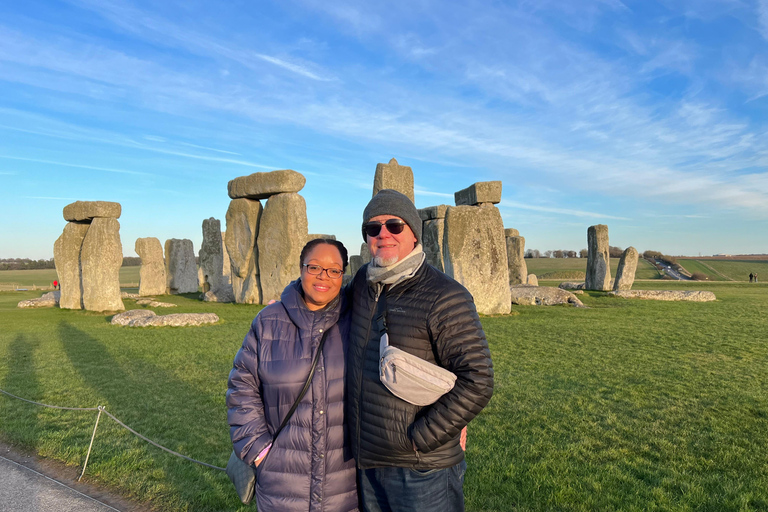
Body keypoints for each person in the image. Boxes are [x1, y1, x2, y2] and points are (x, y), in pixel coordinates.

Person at [346, 189, 494, 512]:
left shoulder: (445, 296)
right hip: (369, 463)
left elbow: (479, 379)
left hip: (422, 468)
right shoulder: (362, 284)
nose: (383, 234)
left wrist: (423, 437)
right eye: (373, 228)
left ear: (413, 232)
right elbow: (321, 303)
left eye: (394, 225)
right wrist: (285, 304)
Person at [226, 238, 358, 512]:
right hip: (281, 480)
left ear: (343, 275)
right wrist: (260, 452)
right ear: (300, 268)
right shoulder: (269, 321)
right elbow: (242, 388)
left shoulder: (357, 320)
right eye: (314, 267)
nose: (324, 276)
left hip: (345, 482)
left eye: (334, 270)